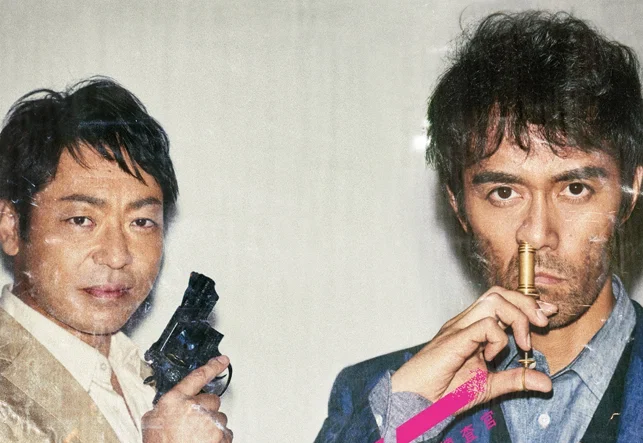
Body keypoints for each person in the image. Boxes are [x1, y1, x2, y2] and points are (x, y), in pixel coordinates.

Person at [315, 11, 643, 443]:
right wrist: (409, 423)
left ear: (630, 194)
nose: (537, 234)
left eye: (575, 189)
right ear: (457, 205)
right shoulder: (388, 400)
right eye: (504, 193)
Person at [0, 78, 233, 442]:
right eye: (81, 220)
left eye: (141, 222)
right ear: (11, 227)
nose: (117, 256)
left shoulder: (137, 373)